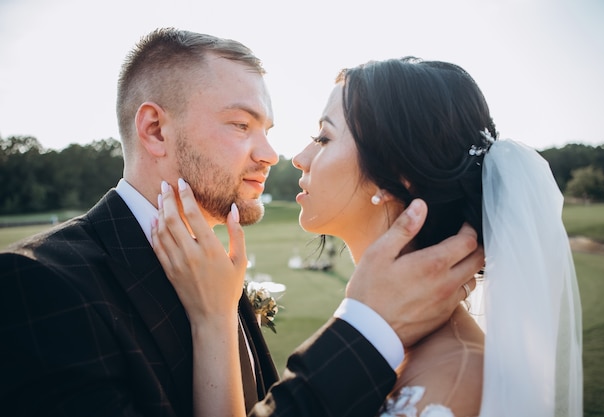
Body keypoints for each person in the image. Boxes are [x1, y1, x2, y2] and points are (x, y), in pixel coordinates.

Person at [0, 28, 483, 417]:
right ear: (155, 130)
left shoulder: (216, 273)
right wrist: (365, 326)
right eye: (240, 125)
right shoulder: (38, 287)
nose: (273, 155)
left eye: (268, 130)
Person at [155, 57, 583, 416]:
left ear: (395, 178)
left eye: (323, 137)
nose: (300, 158)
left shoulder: (452, 385)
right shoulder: (395, 343)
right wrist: (213, 318)